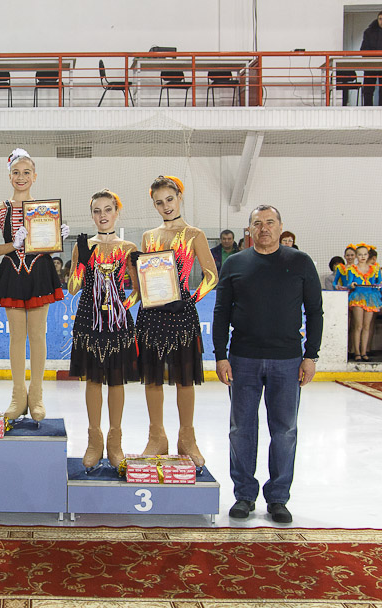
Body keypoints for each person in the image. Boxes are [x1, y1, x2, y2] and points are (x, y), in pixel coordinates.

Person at [213, 204, 323, 524]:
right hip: (242, 359)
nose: (264, 228)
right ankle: (245, 495)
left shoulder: (300, 262)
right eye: (258, 223)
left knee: (285, 431)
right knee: (241, 430)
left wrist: (311, 355)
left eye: (270, 222)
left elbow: (314, 311)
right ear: (250, 229)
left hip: (287, 361)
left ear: (280, 226)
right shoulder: (235, 264)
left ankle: (278, 498)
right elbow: (221, 312)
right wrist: (220, 355)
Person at [133, 175, 218, 468]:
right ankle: (157, 436)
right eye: (159, 202)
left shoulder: (194, 234)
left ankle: (187, 439)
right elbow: (146, 276)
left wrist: (190, 299)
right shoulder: (148, 237)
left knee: (185, 378)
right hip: (152, 313)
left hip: (182, 312)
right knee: (152, 377)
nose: (166, 206)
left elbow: (211, 276)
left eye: (170, 199)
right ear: (154, 205)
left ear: (180, 197)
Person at [0, 148, 69, 423]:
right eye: (16, 172)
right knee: (17, 337)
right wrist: (14, 244)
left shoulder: (45, 209)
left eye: (26, 172)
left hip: (39, 274)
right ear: (9, 176)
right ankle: (18, 396)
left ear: (35, 176)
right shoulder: (0, 209)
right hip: (12, 272)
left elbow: (46, 247)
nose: (21, 177)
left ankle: (37, 395)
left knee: (37, 336)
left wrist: (57, 240)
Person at [68, 190, 139, 470]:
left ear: (117, 212)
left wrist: (122, 306)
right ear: (92, 215)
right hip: (88, 320)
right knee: (93, 380)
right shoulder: (83, 246)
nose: (103, 215)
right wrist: (82, 263)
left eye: (108, 209)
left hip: (118, 323)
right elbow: (73, 287)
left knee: (117, 381)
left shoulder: (128, 247)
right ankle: (94, 440)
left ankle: (115, 441)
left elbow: (139, 291)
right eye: (97, 211)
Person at [335, 243, 381, 361]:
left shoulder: (374, 269)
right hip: (358, 297)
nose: (363, 257)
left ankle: (364, 352)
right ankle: (356, 352)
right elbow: (348, 283)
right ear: (356, 256)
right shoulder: (352, 269)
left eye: (365, 254)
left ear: (368, 255)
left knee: (366, 326)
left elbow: (379, 282)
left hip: (370, 297)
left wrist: (378, 285)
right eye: (360, 254)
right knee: (358, 326)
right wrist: (352, 284)